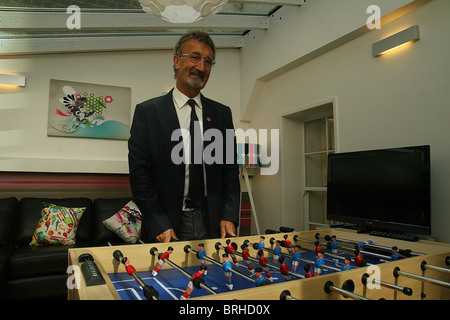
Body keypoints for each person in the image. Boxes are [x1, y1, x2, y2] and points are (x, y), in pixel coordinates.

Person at [128, 31, 240, 242]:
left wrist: (230, 213)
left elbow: (230, 170)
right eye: (195, 57)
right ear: (177, 61)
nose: (201, 67)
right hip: (168, 225)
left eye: (208, 61)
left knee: (215, 275)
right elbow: (140, 176)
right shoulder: (147, 113)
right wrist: (159, 222)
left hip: (215, 222)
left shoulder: (221, 114)